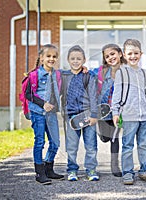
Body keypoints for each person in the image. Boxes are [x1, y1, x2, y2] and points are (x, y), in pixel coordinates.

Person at [112, 39, 146, 185]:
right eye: (130, 53)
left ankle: (145, 170)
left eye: (136, 53)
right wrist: (115, 112)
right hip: (129, 116)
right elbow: (117, 94)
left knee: (143, 144)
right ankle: (128, 173)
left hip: (145, 116)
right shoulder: (121, 73)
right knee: (128, 145)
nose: (133, 56)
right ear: (124, 55)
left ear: (141, 54)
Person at [26, 44, 64, 185]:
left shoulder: (57, 74)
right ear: (41, 58)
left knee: (55, 142)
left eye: (54, 56)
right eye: (48, 56)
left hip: (51, 113)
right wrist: (43, 104)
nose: (51, 59)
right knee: (40, 141)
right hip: (38, 113)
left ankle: (49, 168)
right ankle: (39, 172)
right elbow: (28, 94)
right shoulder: (34, 75)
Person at [60, 45, 99, 181]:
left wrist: (94, 114)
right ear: (68, 60)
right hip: (71, 116)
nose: (75, 61)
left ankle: (91, 169)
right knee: (71, 146)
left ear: (84, 60)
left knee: (91, 145)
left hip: (88, 115)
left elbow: (93, 96)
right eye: (72, 59)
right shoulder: (64, 76)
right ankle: (72, 170)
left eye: (78, 59)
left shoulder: (89, 76)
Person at [93, 44, 127, 177]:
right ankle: (102, 135)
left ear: (120, 54)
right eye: (107, 56)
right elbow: (89, 74)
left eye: (113, 54)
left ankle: (115, 165)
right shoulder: (101, 71)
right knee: (105, 138)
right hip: (103, 111)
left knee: (114, 137)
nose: (110, 57)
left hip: (118, 111)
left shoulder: (126, 71)